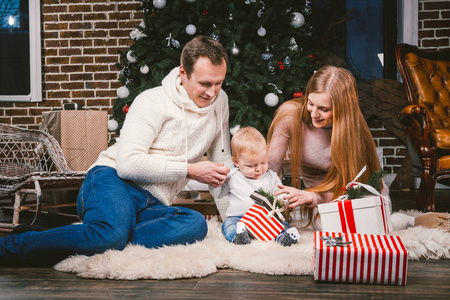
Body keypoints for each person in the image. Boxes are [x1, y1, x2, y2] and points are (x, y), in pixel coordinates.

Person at [0, 35, 234, 267]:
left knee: (194, 224)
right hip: (111, 180)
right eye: (204, 84)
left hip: (154, 201)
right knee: (110, 235)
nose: (212, 92)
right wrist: (189, 170)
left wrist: (232, 224)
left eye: (218, 83)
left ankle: (86, 237)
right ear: (183, 73)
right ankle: (10, 247)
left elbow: (222, 163)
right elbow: (128, 164)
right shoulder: (152, 101)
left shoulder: (220, 102)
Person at [267, 65, 389, 228]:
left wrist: (313, 197)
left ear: (342, 109)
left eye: (324, 109)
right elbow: (270, 169)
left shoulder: (354, 131)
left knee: (365, 227)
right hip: (320, 201)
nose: (313, 114)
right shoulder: (290, 116)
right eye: (310, 103)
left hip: (356, 198)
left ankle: (400, 221)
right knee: (325, 226)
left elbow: (355, 192)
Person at [211, 127, 299, 246]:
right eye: (251, 166)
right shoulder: (232, 176)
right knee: (228, 225)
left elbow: (281, 193)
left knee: (281, 223)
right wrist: (216, 182)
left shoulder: (271, 177)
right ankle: (238, 238)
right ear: (236, 162)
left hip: (265, 218)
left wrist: (283, 200)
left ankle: (282, 238)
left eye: (263, 162)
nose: (259, 168)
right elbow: (218, 194)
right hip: (239, 218)